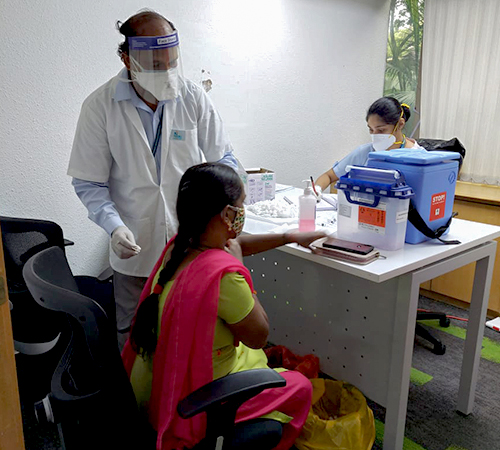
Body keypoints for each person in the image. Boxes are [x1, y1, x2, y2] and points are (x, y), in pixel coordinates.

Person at [121, 162, 325, 450]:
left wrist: (286, 236)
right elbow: (258, 337)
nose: (244, 211)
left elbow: (234, 244)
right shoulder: (224, 276)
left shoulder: (178, 247)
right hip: (193, 404)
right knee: (300, 388)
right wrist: (242, 270)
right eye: (241, 205)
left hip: (150, 389)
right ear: (228, 214)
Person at [67, 10, 239, 348]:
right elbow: (89, 183)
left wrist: (232, 207)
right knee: (134, 337)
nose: (166, 72)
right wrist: (113, 226)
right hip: (136, 245)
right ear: (127, 59)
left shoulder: (192, 97)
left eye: (171, 62)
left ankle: (180, 397)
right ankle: (137, 400)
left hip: (191, 243)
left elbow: (224, 160)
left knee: (189, 334)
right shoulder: (100, 107)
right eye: (155, 65)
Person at [314, 97, 424, 196]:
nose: (375, 135)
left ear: (400, 124)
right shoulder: (366, 152)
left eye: (381, 130)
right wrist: (316, 190)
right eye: (371, 129)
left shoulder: (419, 158)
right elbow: (328, 176)